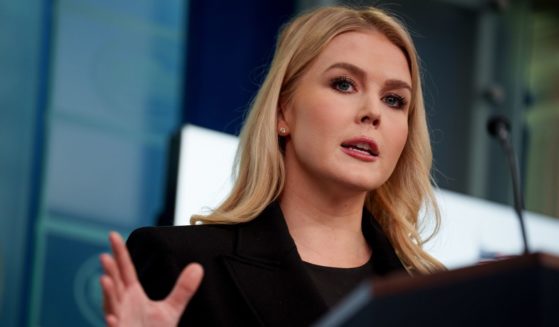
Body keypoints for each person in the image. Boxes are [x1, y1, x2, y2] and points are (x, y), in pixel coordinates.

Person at [99, 5, 446, 326]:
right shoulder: (182, 262)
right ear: (283, 112)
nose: (373, 112)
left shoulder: (434, 300)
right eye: (344, 84)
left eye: (394, 100)